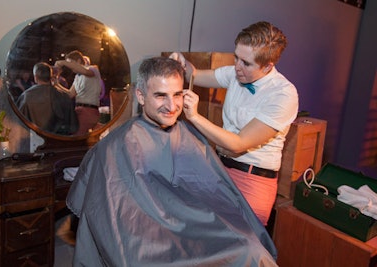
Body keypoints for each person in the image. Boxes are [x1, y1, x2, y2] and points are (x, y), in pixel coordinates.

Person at [66, 57, 278, 266]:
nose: (171, 106)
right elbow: (111, 216)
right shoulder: (115, 146)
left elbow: (213, 191)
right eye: (160, 96)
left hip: (190, 225)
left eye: (177, 94)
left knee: (250, 250)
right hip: (144, 237)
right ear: (140, 96)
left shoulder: (189, 135)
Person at [170, 21, 299, 226]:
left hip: (252, 181)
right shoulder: (236, 73)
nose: (237, 67)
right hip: (220, 168)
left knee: (241, 246)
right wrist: (182, 62)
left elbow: (239, 143)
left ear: (267, 66)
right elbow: (194, 75)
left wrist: (194, 117)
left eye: (246, 63)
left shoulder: (283, 94)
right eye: (236, 57)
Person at [16, 62, 78, 135]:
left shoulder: (26, 96)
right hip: (59, 140)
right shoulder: (63, 95)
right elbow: (72, 126)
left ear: (35, 77)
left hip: (34, 139)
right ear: (51, 77)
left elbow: (17, 122)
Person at [55, 50, 102, 135]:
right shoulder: (77, 77)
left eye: (70, 63)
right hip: (79, 110)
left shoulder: (93, 69)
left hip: (88, 111)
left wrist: (63, 63)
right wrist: (56, 84)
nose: (70, 67)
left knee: (76, 138)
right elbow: (70, 94)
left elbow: (86, 72)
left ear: (78, 61)